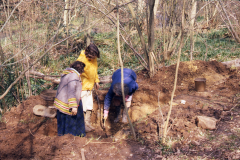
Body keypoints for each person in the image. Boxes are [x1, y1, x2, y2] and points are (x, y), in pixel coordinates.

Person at [53, 61, 86, 136]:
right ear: (80, 70)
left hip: (62, 102)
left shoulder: (67, 74)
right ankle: (73, 139)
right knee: (72, 123)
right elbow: (71, 91)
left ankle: (62, 137)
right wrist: (73, 107)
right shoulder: (74, 76)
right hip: (69, 103)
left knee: (62, 124)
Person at [76, 43, 100, 132]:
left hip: (90, 87)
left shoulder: (94, 59)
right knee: (83, 105)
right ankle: (82, 125)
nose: (94, 59)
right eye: (92, 57)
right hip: (82, 86)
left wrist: (96, 81)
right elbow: (77, 72)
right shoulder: (81, 59)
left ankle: (88, 123)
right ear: (88, 54)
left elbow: (95, 71)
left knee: (89, 105)